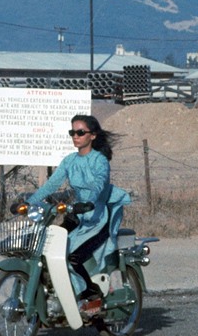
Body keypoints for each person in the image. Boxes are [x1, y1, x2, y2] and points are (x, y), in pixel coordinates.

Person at [26, 114, 127, 302]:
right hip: (77, 214)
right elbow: (51, 185)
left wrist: (90, 201)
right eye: (72, 132)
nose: (75, 136)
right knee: (49, 249)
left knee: (73, 257)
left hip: (98, 217)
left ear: (93, 136)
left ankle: (90, 293)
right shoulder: (70, 160)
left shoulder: (100, 160)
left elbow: (99, 183)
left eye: (80, 132)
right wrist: (30, 202)